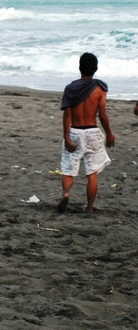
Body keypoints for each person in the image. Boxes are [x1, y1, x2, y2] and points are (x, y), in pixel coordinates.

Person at [58, 52, 115, 214]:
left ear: (79, 67)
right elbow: (102, 115)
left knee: (69, 169)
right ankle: (89, 208)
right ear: (95, 68)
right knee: (92, 172)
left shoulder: (70, 88)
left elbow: (67, 114)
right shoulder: (100, 88)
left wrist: (66, 136)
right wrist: (109, 133)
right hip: (92, 132)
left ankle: (66, 193)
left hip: (75, 131)